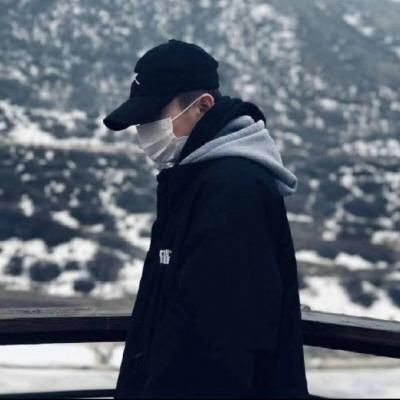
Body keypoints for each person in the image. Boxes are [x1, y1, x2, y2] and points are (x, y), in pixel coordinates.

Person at [103, 38, 310, 399]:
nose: (144, 131)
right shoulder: (195, 179)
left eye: (153, 117)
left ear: (203, 106)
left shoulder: (233, 190)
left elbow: (222, 343)